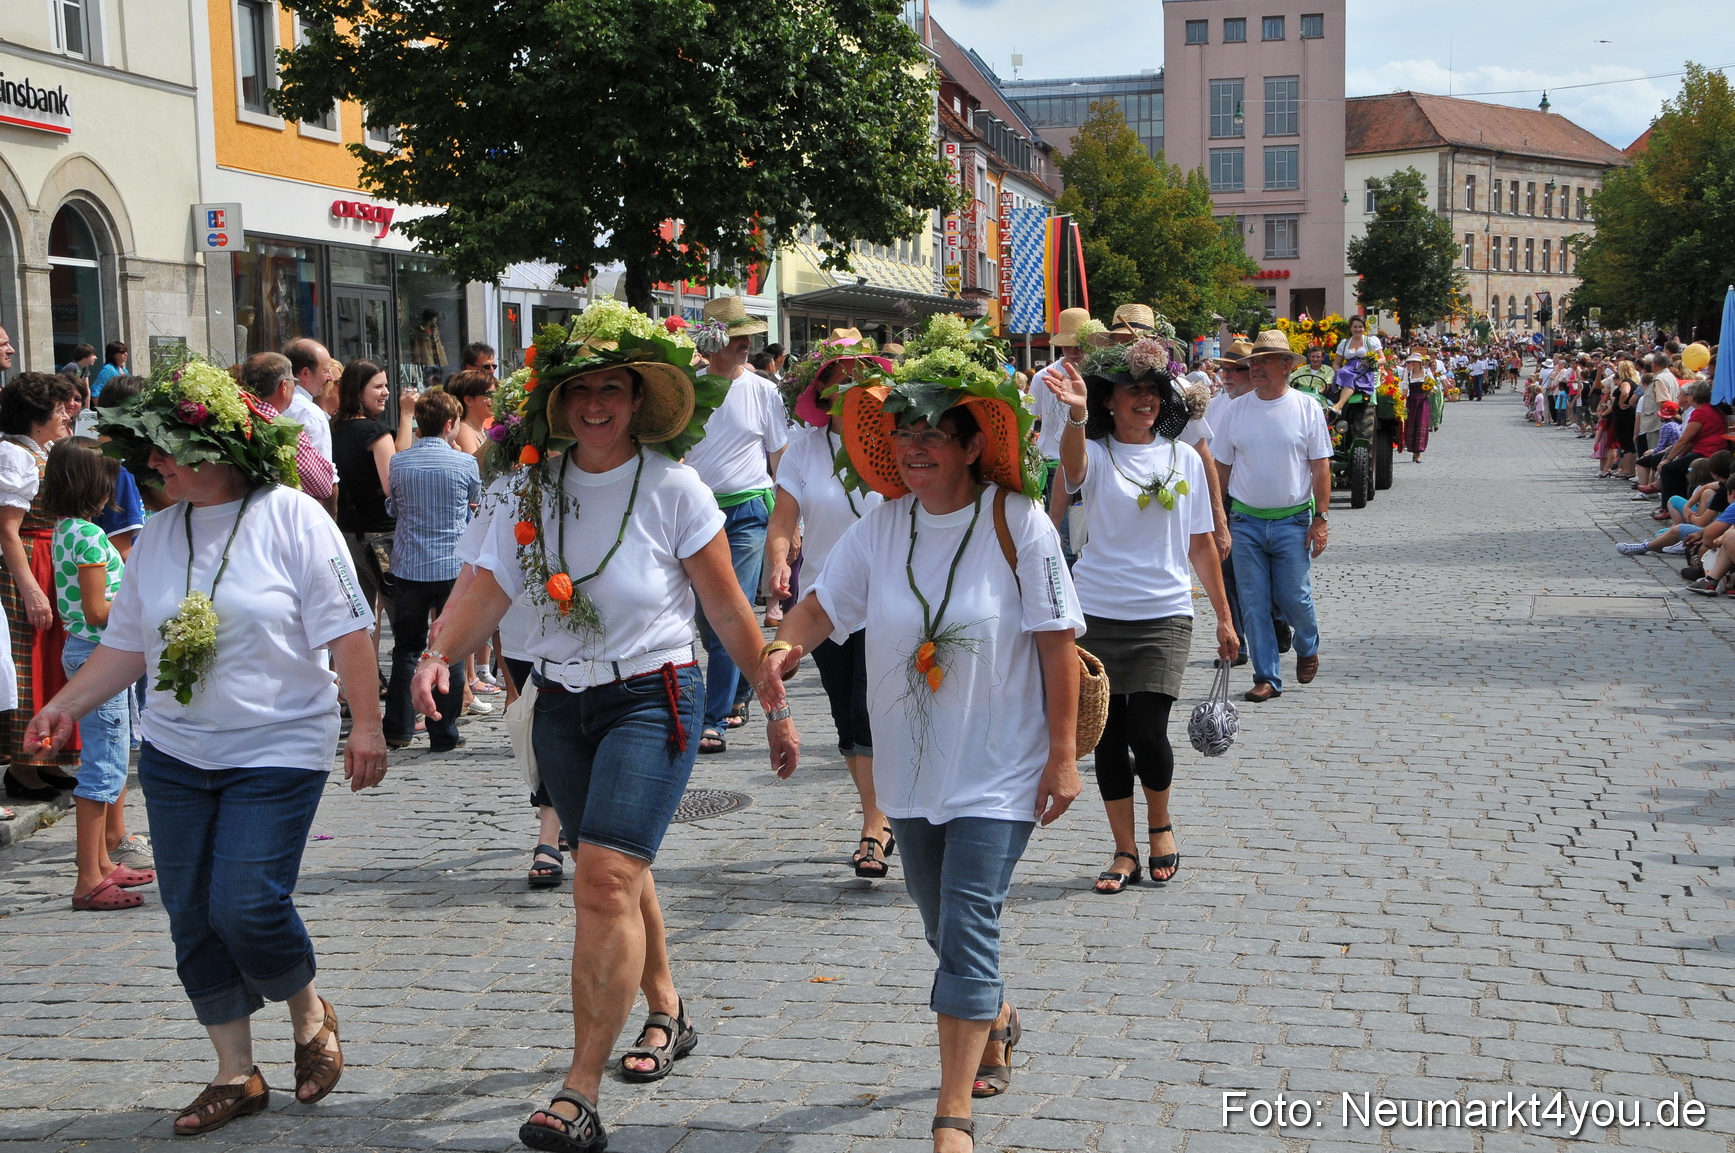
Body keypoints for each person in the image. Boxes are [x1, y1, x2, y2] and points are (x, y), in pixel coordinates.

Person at [407, 300, 775, 1153]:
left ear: (638, 398)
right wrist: (436, 654)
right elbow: (486, 583)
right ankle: (669, 1010)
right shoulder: (524, 484)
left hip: (655, 691)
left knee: (603, 878)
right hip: (559, 703)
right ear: (559, 402)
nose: (596, 403)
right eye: (581, 390)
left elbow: (725, 603)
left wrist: (773, 698)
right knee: (614, 863)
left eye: (613, 388)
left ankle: (577, 1088)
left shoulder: (673, 485)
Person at [31, 352, 385, 1135]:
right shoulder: (157, 534)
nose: (150, 463)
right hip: (180, 752)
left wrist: (365, 724)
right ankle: (236, 1072)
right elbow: (127, 646)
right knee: (191, 912)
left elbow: (349, 628)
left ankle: (308, 1009)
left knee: (247, 904)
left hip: (279, 745)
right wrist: (63, 703)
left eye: (165, 448)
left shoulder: (292, 516)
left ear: (217, 447)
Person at [760, 352, 1081, 1153]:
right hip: (910, 763)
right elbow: (827, 603)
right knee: (938, 916)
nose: (914, 447)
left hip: (1001, 759)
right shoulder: (883, 521)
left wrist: (1064, 754)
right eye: (904, 432)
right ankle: (996, 1012)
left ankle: (951, 1116)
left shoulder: (1018, 519)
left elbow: (1056, 644)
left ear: (973, 447)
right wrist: (783, 648)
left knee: (968, 919)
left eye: (935, 433)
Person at [1045, 338, 1237, 894]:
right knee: (1107, 738)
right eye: (1132, 390)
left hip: (1165, 614)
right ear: (1110, 400)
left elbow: (1201, 543)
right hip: (1098, 614)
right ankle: (1123, 849)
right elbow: (1072, 466)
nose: (1144, 400)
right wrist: (1077, 415)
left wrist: (1224, 618)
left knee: (1149, 732)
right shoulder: (1096, 454)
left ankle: (1161, 826)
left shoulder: (1184, 459)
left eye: (1152, 391)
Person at [765, 334, 890, 876]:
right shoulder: (805, 450)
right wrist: (776, 566)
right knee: (846, 714)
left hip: (888, 597)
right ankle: (878, 813)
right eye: (838, 380)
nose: (848, 389)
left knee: (872, 709)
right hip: (823, 602)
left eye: (859, 378)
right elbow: (782, 521)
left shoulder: (890, 439)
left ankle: (875, 825)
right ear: (822, 390)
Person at [42, 436, 147, 909]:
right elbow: (96, 609)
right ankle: (88, 877)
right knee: (103, 766)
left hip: (91, 651)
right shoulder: (87, 536)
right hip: (96, 651)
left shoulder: (68, 529)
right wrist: (140, 605)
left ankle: (104, 862)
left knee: (114, 754)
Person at [684, 295, 785, 753]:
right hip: (697, 514)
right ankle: (741, 687)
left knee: (732, 605)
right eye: (738, 336)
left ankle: (713, 719)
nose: (747, 344)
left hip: (747, 510)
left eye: (749, 336)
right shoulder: (689, 388)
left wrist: (789, 521)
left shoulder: (764, 390)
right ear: (715, 341)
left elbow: (779, 455)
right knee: (708, 619)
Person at [1211, 331, 1330, 703]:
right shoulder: (1236, 410)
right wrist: (1220, 518)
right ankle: (1267, 677)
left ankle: (1307, 643)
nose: (1255, 368)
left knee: (1294, 596)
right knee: (1253, 602)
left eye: (1264, 362)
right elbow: (1221, 467)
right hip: (1246, 521)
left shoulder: (1307, 407)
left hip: (1292, 520)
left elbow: (1321, 467)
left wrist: (1321, 518)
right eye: (1253, 363)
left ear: (1285, 367)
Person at [384, 391, 480, 752]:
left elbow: (393, 507)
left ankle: (398, 728)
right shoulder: (465, 464)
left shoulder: (399, 462)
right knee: (448, 648)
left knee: (406, 648)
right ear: (450, 424)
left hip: (410, 565)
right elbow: (477, 503)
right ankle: (443, 733)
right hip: (453, 564)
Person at [0, 371, 81, 798]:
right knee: (28, 660)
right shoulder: (15, 455)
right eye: (59, 407)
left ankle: (44, 756)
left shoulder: (38, 451)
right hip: (29, 561)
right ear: (36, 416)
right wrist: (30, 588)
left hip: (48, 557)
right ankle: (22, 765)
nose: (69, 412)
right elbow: (8, 530)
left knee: (50, 661)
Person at [329, 359, 416, 633]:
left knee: (358, 620)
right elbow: (393, 486)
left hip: (346, 533)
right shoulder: (374, 432)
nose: (386, 392)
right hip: (380, 536)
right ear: (357, 392)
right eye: (378, 386)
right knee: (403, 616)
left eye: (386, 385)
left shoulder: (334, 427)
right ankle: (404, 675)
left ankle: (361, 676)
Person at [235, 353, 337, 502]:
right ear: (284, 386)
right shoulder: (286, 433)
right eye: (294, 383)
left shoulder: (228, 420)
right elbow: (323, 486)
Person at [1656, 381, 1730, 521]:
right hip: (1710, 449)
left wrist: (1668, 460)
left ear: (1693, 396)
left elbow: (1684, 440)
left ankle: (1670, 507)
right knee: (1674, 466)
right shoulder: (1711, 409)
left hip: (1707, 452)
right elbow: (1690, 440)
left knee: (1668, 469)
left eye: (1688, 395)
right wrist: (1678, 456)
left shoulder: (1701, 412)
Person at [281, 338, 336, 483]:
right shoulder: (311, 414)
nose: (331, 377)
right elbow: (324, 479)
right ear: (305, 373)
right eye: (325, 370)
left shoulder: (276, 401)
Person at [1330, 315, 1381, 413]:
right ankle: (1337, 406)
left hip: (1365, 370)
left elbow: (1383, 359)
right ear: (1351, 328)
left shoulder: (1370, 341)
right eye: (1355, 327)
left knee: (1351, 377)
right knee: (1347, 375)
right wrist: (1339, 372)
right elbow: (1336, 363)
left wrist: (1373, 362)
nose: (1358, 329)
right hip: (1348, 370)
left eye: (1360, 327)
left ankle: (1339, 406)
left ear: (1364, 328)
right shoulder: (1344, 343)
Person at [445, 368, 497, 459]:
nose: (494, 399)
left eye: (496, 394)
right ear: (468, 400)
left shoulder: (480, 430)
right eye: (489, 395)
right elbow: (473, 467)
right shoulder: (464, 430)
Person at [1399, 351, 1436, 464]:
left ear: (1419, 363)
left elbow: (1433, 388)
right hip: (1412, 401)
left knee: (1421, 424)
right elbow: (1405, 389)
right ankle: (1413, 450)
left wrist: (1429, 390)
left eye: (1414, 362)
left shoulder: (1426, 374)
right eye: (1411, 362)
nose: (1412, 364)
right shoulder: (1408, 374)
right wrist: (1401, 402)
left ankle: (1418, 453)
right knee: (1411, 425)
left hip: (1423, 401)